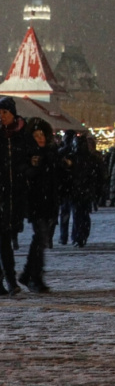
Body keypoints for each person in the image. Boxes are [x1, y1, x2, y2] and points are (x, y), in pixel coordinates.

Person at [19, 117, 59, 293]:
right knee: (41, 238)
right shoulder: (30, 155)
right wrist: (33, 167)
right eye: (36, 135)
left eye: (42, 135)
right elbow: (26, 175)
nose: (40, 138)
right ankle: (34, 276)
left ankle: (28, 274)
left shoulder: (50, 153)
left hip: (49, 201)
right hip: (36, 202)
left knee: (40, 238)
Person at [0, 97, 29, 295]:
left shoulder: (21, 136)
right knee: (3, 241)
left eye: (4, 112)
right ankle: (9, 281)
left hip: (13, 196)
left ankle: (9, 281)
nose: (1, 116)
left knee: (5, 241)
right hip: (2, 196)